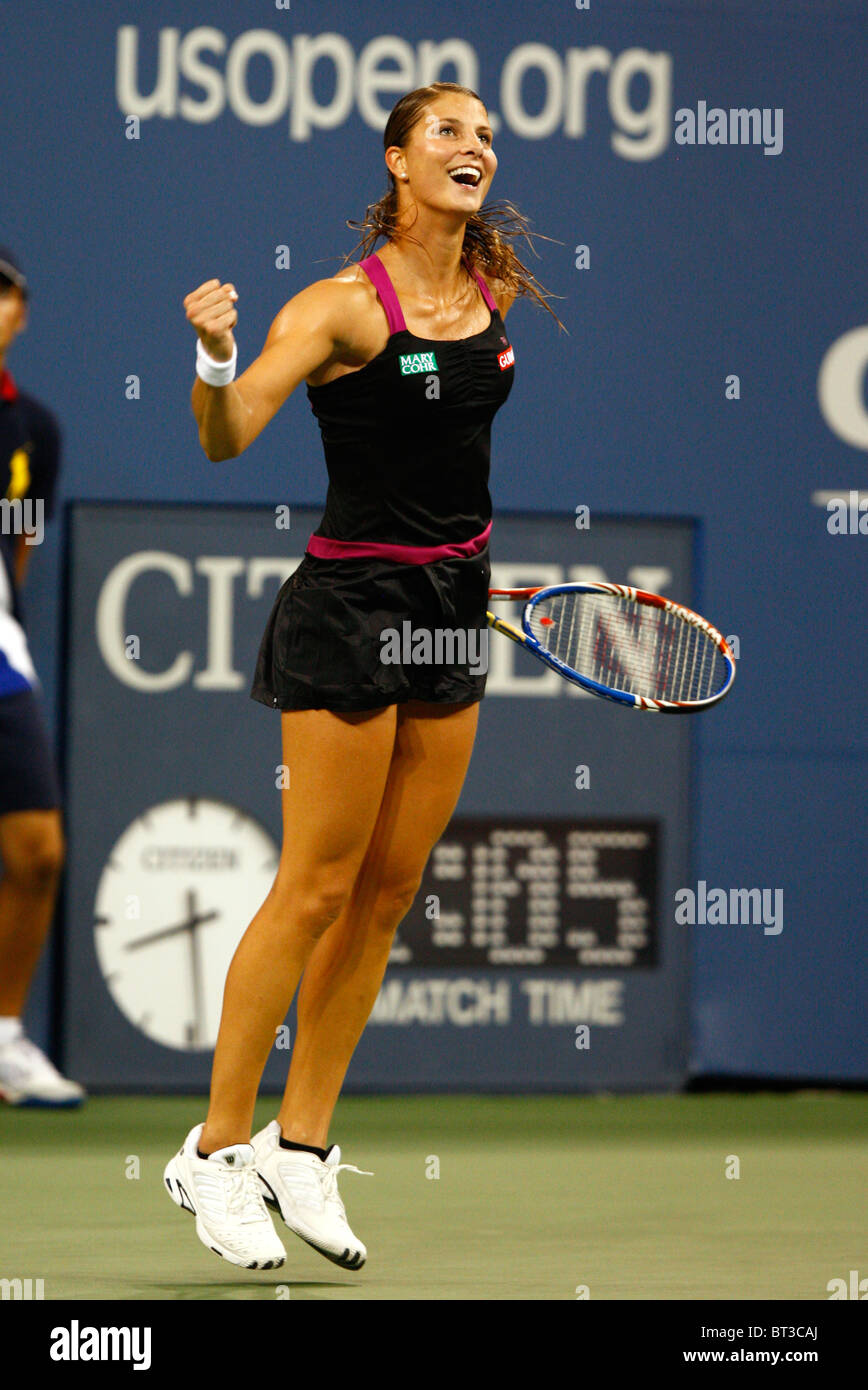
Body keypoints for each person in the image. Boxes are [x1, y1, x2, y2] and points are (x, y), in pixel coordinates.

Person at [164, 83, 562, 1269]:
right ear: (396, 161)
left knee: (390, 890)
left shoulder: (488, 293)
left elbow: (450, 468)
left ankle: (303, 1149)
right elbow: (226, 431)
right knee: (316, 885)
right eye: (447, 130)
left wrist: (462, 571)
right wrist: (213, 354)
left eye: (485, 133)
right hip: (348, 612)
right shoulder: (340, 308)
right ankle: (214, 1154)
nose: (473, 146)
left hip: (451, 606)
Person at [0, 246, 84, 1107]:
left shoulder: (35, 432)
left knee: (36, 852)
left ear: (20, 313)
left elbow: (18, 548)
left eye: (2, 293)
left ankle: (3, 1040)